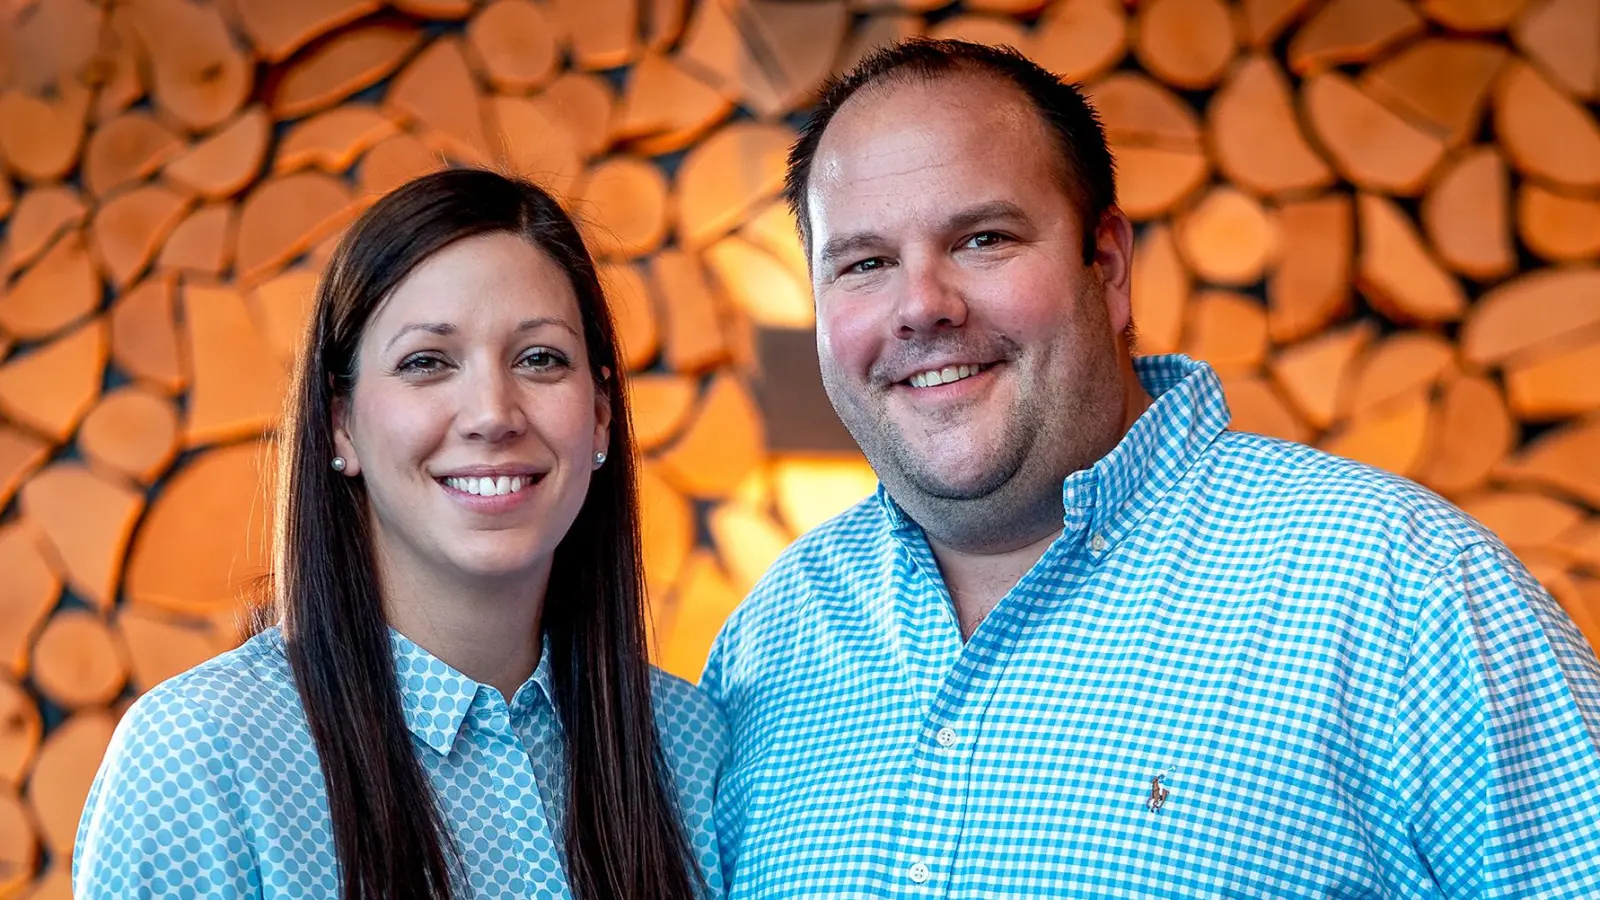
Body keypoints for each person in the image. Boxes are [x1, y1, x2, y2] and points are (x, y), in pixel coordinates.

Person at [701, 38, 1600, 898]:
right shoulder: (764, 646)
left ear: (1109, 263)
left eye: (983, 239)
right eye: (864, 263)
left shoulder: (1405, 593)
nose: (921, 306)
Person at [75, 168, 727, 900]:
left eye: (540, 358)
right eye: (426, 363)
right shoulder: (200, 757)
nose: (492, 412)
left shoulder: (694, 747)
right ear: (340, 423)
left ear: (601, 412)